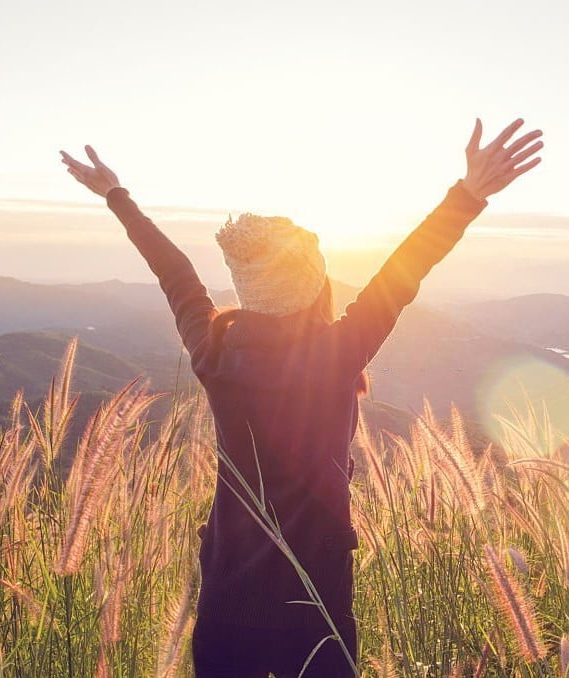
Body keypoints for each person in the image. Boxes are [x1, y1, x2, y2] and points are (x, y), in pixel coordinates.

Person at [60, 118, 542, 677]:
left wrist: (117, 196)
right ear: (316, 285)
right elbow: (401, 275)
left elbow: (176, 275)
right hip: (318, 604)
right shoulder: (336, 355)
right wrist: (467, 196)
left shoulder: (214, 353)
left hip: (228, 597)